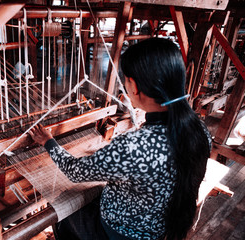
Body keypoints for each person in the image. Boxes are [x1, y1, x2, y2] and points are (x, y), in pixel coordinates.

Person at [29, 38, 211, 240]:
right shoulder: (199, 130)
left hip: (121, 231)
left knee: (65, 212)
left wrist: (48, 141)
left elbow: (74, 172)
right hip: (160, 227)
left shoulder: (134, 147)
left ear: (133, 85)